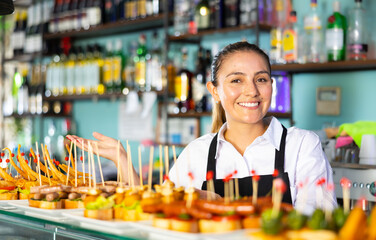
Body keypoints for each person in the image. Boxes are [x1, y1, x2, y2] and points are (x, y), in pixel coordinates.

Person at [67, 41, 336, 214]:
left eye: (261, 79)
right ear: (214, 91)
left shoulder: (301, 145)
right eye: (236, 81)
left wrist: (221, 204)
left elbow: (317, 221)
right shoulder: (196, 153)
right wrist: (123, 160)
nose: (251, 91)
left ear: (271, 86)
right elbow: (158, 208)